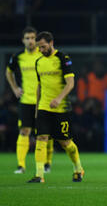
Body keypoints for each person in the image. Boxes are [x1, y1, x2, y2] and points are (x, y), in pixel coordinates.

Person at [28, 31, 84, 183]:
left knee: (65, 142)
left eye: (43, 46)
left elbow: (71, 83)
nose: (40, 50)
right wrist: (36, 109)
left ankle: (78, 169)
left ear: (51, 43)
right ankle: (39, 175)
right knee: (41, 138)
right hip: (44, 107)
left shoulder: (63, 58)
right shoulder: (39, 62)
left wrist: (59, 99)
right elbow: (39, 86)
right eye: (39, 47)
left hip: (61, 108)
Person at [6, 27, 54, 174]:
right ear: (23, 40)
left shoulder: (43, 54)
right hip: (26, 101)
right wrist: (15, 88)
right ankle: (21, 165)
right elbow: (9, 72)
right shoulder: (18, 56)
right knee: (24, 131)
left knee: (45, 133)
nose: (30, 41)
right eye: (27, 38)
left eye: (33, 38)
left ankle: (47, 163)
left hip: (44, 100)